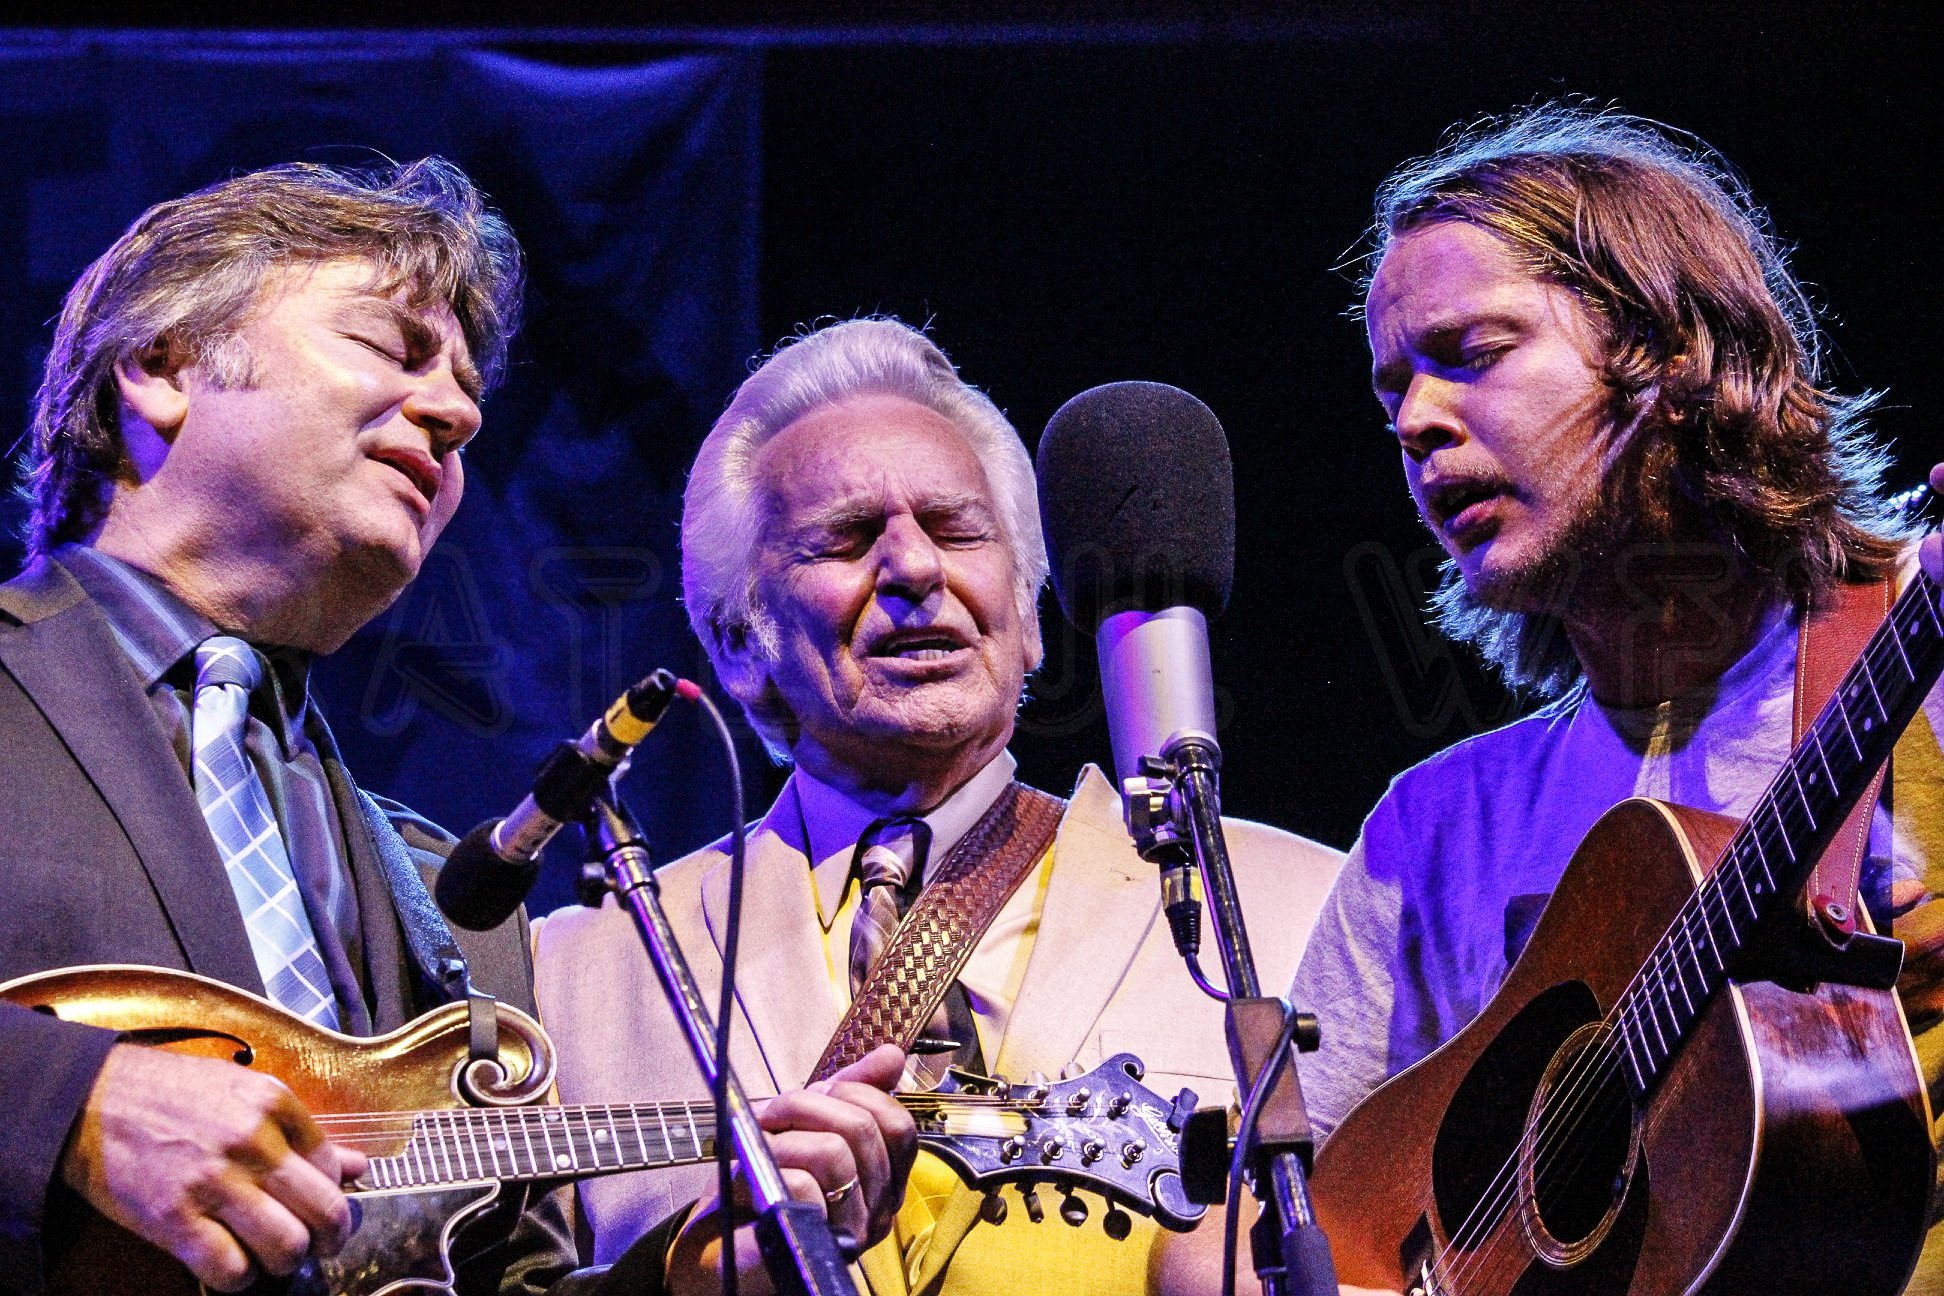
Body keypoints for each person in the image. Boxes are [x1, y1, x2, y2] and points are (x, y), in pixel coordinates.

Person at [0, 158, 908, 1296]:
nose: (458, 410)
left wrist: (691, 1278)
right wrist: (65, 1102)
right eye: (391, 347)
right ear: (161, 366)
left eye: (469, 395)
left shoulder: (454, 894)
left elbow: (500, 1276)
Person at [532, 317, 1344, 1295]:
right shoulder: (576, 977)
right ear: (740, 646)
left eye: (958, 529)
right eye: (845, 539)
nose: (916, 570)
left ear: (1029, 616)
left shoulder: (1298, 911)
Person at [1288, 105, 1944, 1291]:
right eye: (1394, 392)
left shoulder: (1927, 667)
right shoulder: (1432, 832)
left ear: (1670, 355)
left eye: (1472, 353)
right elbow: (1261, 1232)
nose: (1417, 422)